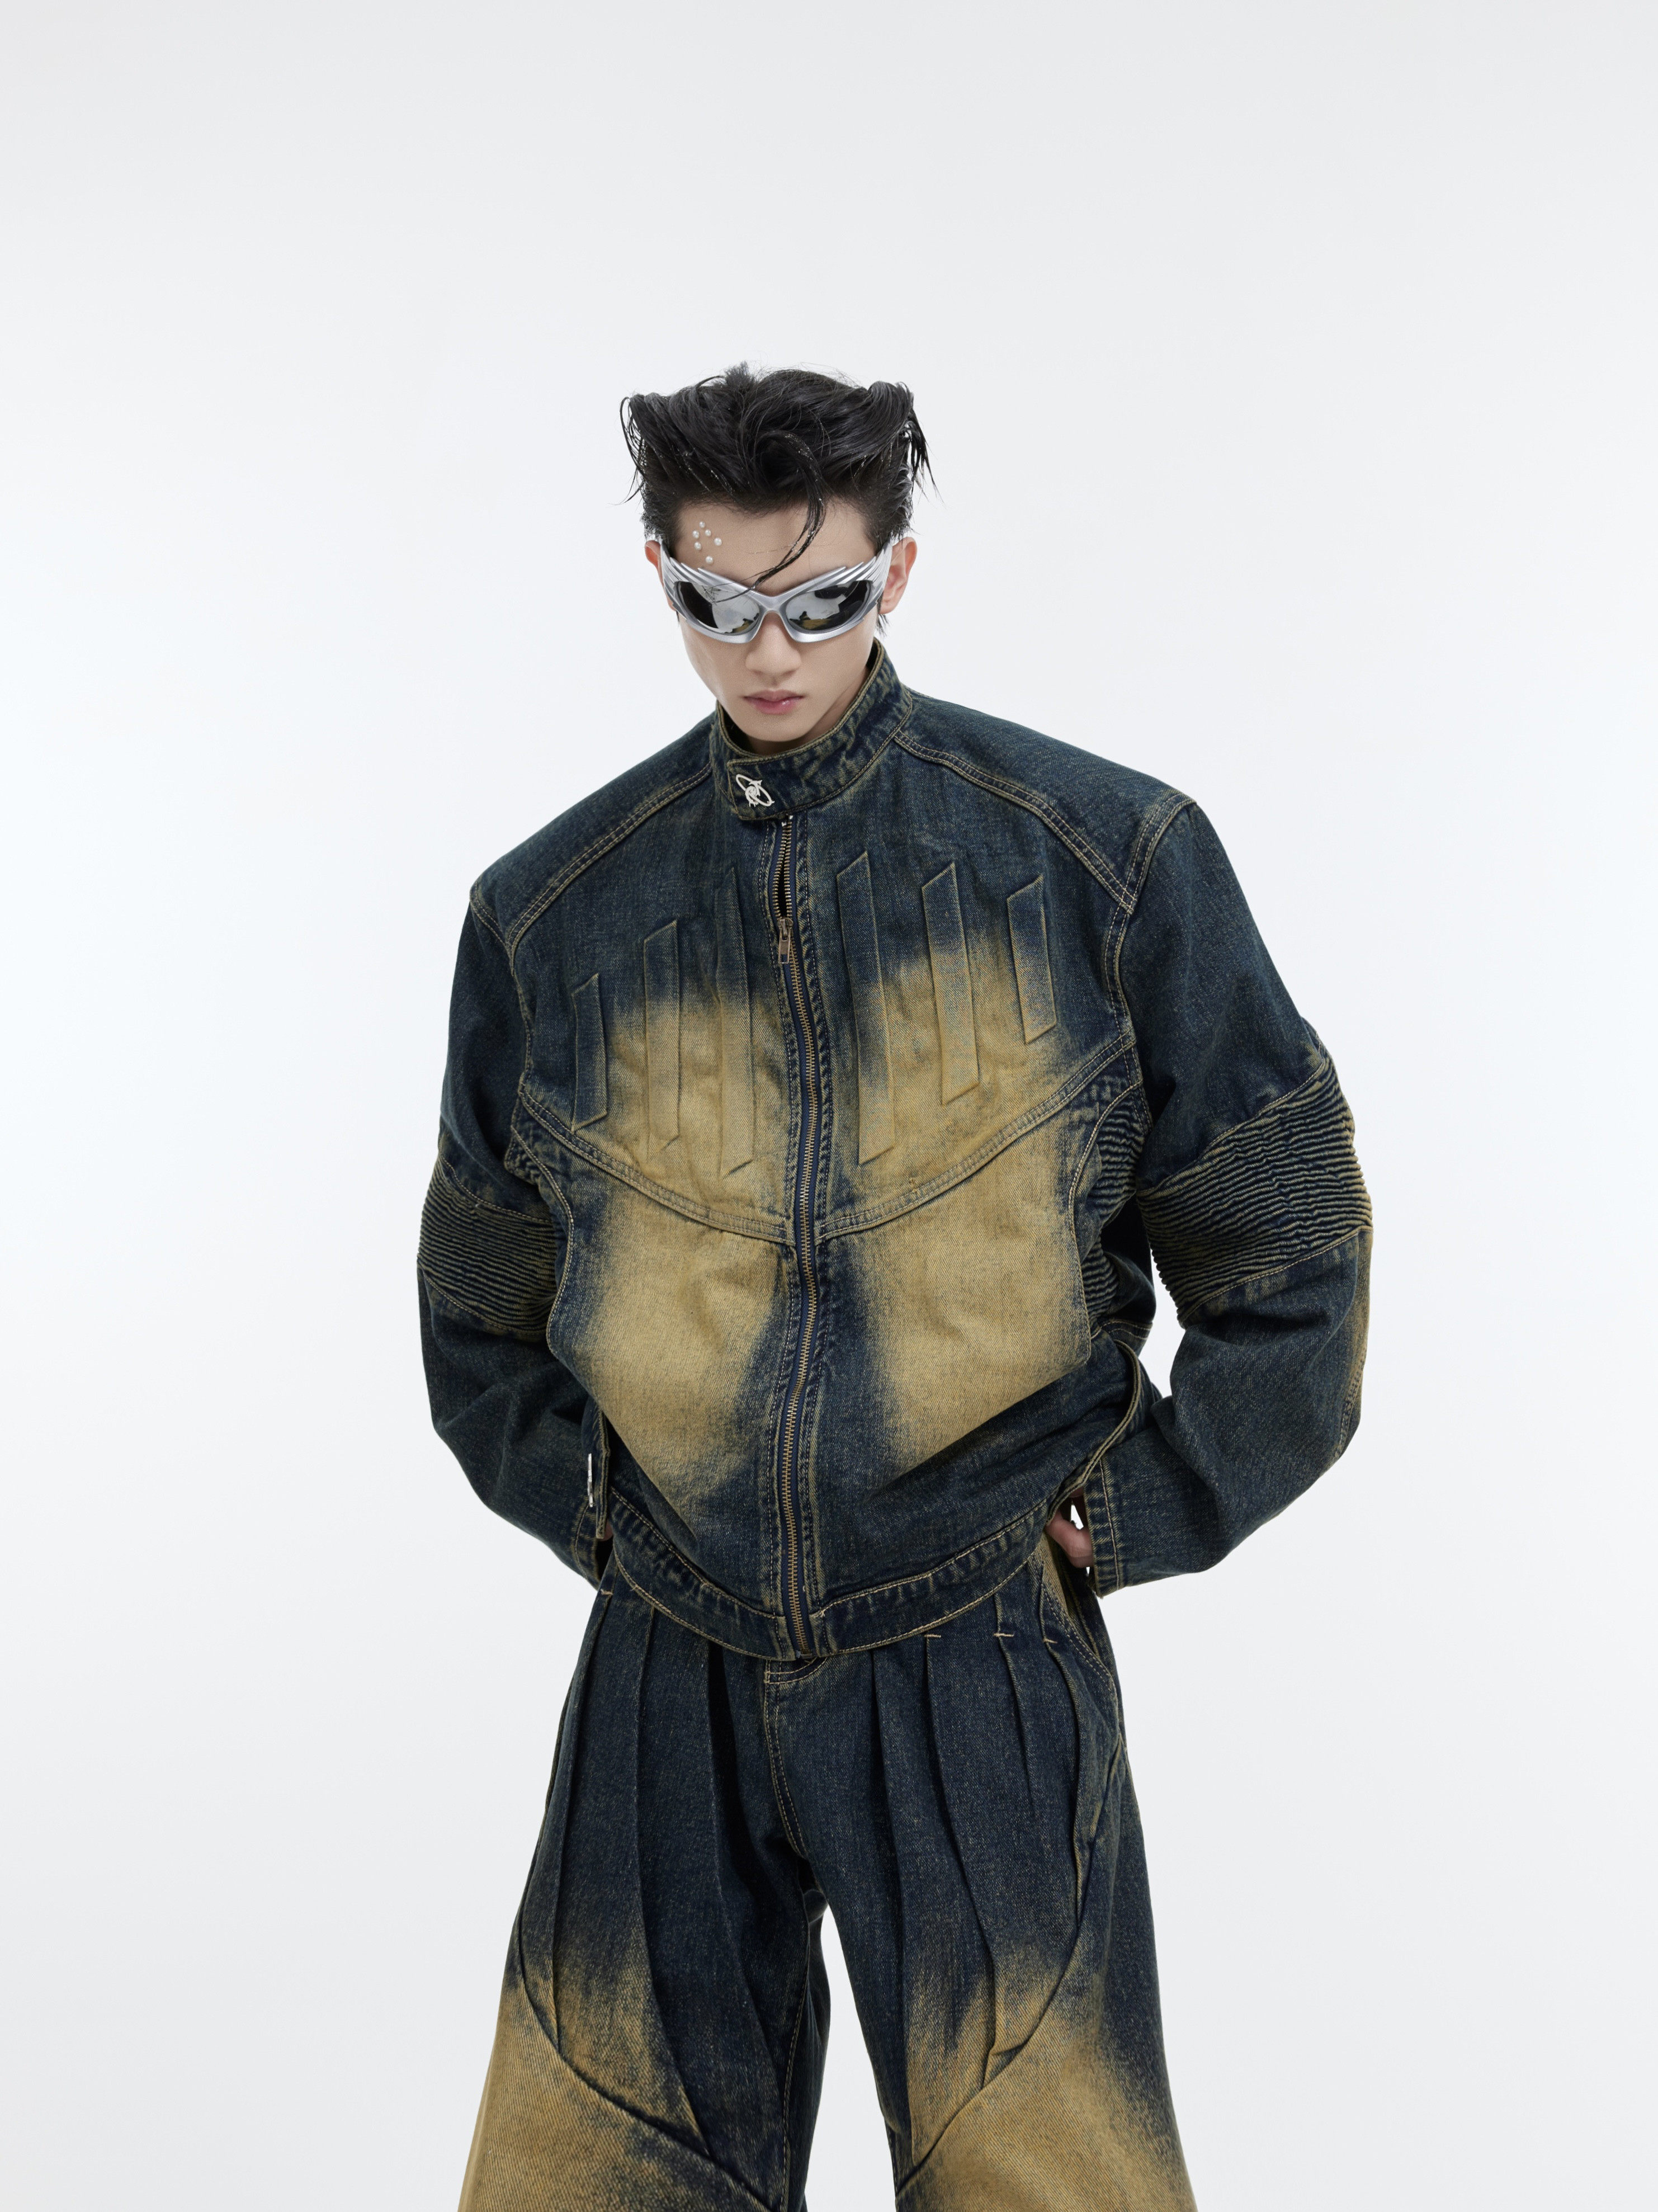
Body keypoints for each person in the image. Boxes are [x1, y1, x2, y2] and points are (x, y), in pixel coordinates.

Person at [419, 364, 1371, 2211]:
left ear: (898, 573)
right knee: (588, 2175)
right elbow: (478, 1300)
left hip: (980, 1642)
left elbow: (1294, 1245)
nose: (767, 650)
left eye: (820, 598)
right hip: (669, 1656)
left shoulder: (1105, 862)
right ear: (660, 574)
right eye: (716, 602)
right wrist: (596, 1505)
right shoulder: (551, 915)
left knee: (1050, 2179)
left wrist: (1140, 1506)